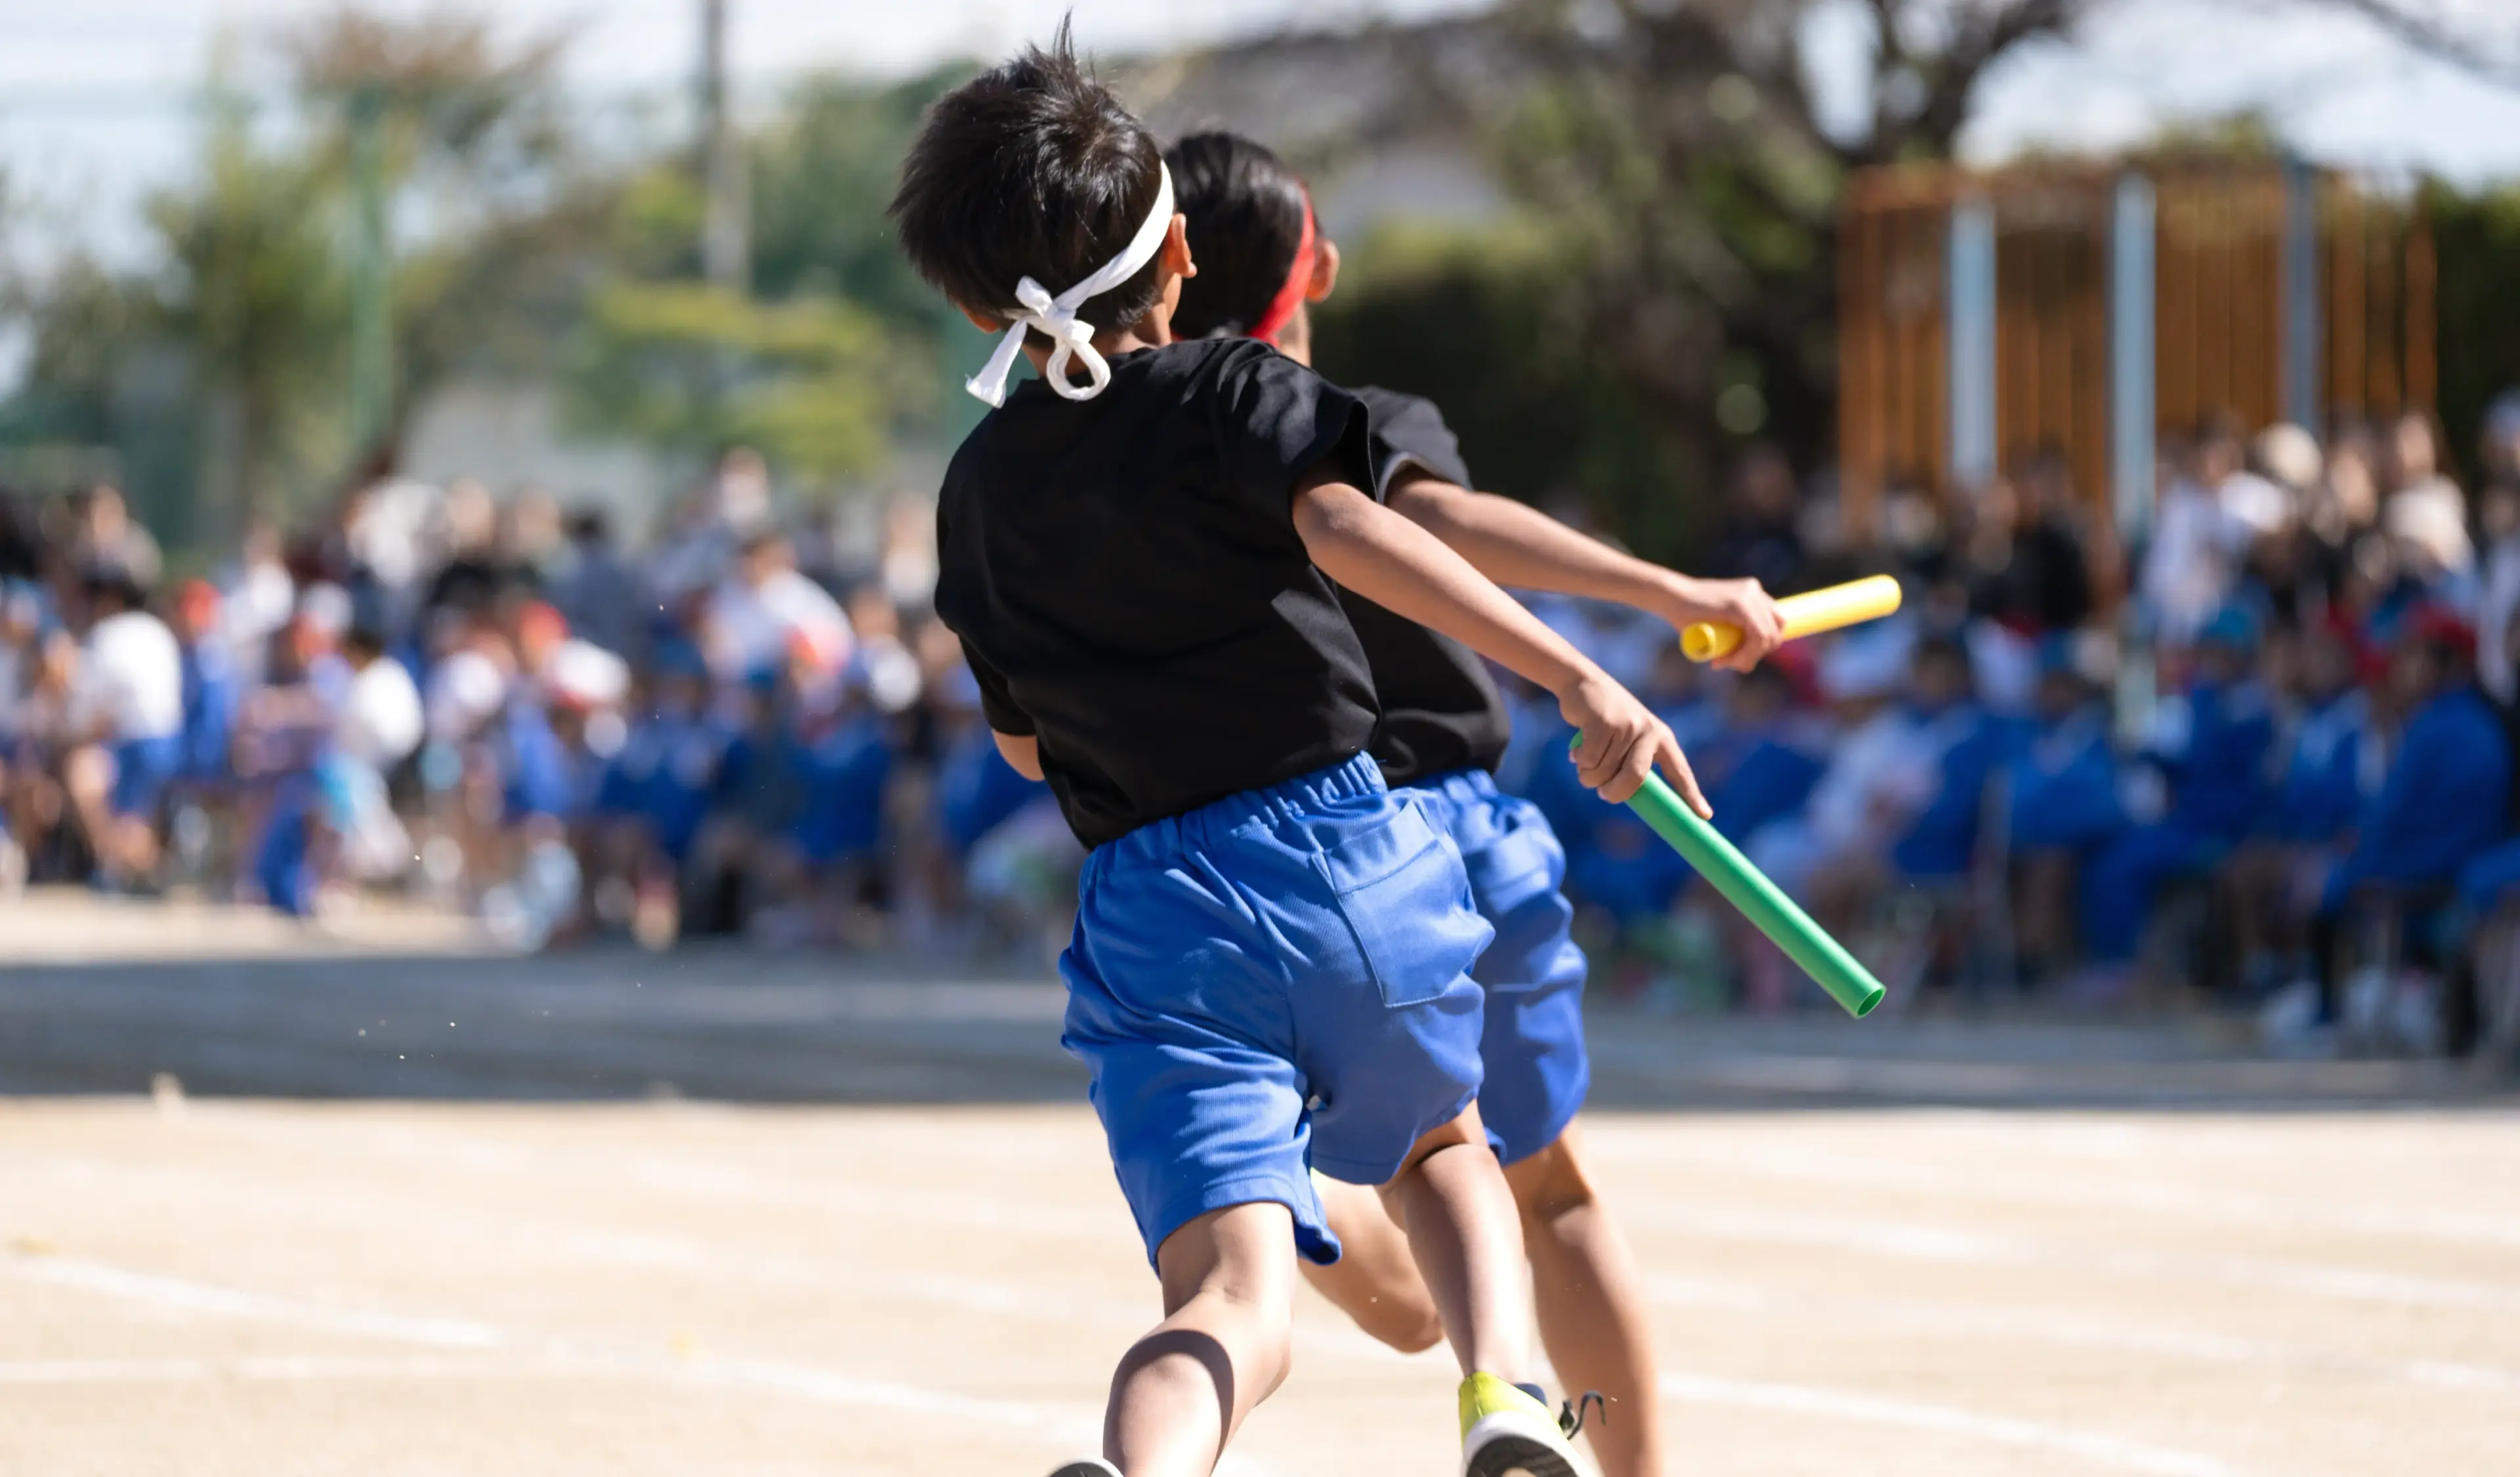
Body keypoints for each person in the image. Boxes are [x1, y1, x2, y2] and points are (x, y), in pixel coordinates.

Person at [893, 35, 1705, 1476]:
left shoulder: (976, 494)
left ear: (976, 304)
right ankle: (1507, 1397)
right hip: (1349, 854)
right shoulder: (1229, 396)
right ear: (1180, 256)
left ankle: (1151, 1467)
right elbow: (1356, 528)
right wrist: (1579, 673)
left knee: (1223, 1298)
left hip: (1152, 911)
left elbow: (1023, 748)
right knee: (1446, 1144)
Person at [1164, 125, 1786, 1477]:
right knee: (1542, 1195)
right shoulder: (1367, 428)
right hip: (1462, 839)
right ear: (1314, 263)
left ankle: (1315, 1212)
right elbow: (1444, 523)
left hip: (1294, 868)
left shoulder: (1146, 475)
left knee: (1390, 1271)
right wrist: (1671, 594)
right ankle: (1609, 1461)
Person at [60, 563, 184, 888]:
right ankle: (133, 871)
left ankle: (125, 871)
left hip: (135, 744)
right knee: (134, 815)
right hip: (171, 742)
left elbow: (85, 712)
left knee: (92, 784)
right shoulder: (159, 631)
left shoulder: (108, 634)